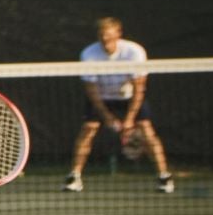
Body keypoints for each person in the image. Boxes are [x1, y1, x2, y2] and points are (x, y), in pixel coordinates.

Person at [64, 15, 173, 194]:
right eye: (101, 35)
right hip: (102, 98)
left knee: (146, 128)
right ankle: (74, 177)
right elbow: (91, 90)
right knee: (89, 128)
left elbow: (139, 89)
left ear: (118, 34)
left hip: (130, 97)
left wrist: (129, 120)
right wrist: (107, 118)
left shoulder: (134, 52)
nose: (104, 39)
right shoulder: (89, 54)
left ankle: (164, 177)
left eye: (108, 34)